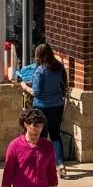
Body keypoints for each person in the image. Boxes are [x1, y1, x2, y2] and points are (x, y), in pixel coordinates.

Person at [20, 43, 68, 178]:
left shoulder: (40, 71)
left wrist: (24, 86)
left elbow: (37, 92)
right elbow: (63, 85)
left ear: (39, 55)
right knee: (55, 135)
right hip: (57, 106)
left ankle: (41, 166)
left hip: (41, 107)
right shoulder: (59, 67)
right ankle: (61, 164)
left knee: (40, 137)